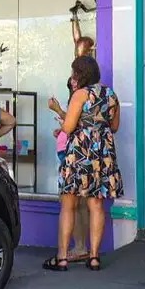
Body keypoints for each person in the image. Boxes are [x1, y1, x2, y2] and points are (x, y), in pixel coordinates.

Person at [43, 56, 123, 272]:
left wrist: (65, 120)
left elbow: (69, 127)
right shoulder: (110, 94)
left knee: (68, 205)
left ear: (80, 74)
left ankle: (62, 258)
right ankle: (95, 257)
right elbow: (114, 126)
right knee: (96, 205)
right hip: (103, 153)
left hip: (79, 152)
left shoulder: (80, 94)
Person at [49, 77, 89, 263]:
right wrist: (62, 132)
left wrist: (57, 110)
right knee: (77, 205)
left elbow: (76, 122)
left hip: (71, 155)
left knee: (71, 204)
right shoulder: (80, 97)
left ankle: (71, 250)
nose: (73, 82)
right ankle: (79, 247)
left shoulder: (83, 97)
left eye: (75, 78)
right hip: (67, 151)